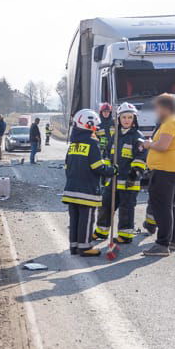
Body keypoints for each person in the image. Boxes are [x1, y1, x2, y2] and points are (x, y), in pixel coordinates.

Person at [62, 109, 116, 256]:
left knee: (75, 219)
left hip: (71, 189)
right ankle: (85, 247)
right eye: (95, 127)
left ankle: (74, 246)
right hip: (87, 191)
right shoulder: (92, 143)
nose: (96, 130)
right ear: (89, 126)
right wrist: (112, 170)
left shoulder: (73, 145)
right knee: (86, 219)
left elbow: (67, 167)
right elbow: (98, 167)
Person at [140, 93, 175, 256]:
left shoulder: (169, 122)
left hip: (165, 170)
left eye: (158, 107)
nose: (156, 110)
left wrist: (148, 144)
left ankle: (162, 244)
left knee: (162, 208)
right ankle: (174, 240)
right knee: (172, 206)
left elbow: (163, 145)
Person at [94, 102, 147, 243]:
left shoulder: (137, 137)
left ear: (134, 119)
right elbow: (106, 155)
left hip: (129, 182)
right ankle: (101, 232)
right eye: (124, 117)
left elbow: (141, 158)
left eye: (130, 117)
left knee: (126, 209)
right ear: (118, 119)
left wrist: (134, 174)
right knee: (105, 205)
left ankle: (125, 235)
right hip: (112, 180)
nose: (127, 120)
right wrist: (105, 172)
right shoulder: (115, 136)